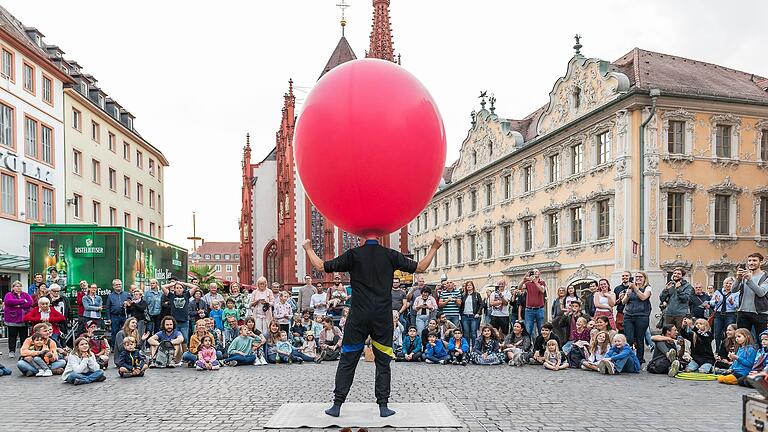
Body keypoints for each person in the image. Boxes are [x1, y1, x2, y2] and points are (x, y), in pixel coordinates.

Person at [303, 235, 442, 418]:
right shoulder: (390, 254)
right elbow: (421, 267)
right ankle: (383, 406)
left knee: (348, 360)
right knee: (383, 361)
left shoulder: (354, 254)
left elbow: (320, 266)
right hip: (382, 317)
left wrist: (308, 248)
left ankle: (337, 405)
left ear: (361, 236)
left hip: (358, 316)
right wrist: (434, 246)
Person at [733, 252, 768, 337]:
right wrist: (738, 279)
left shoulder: (766, 277)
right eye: (749, 260)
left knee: (761, 339)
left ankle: (762, 351)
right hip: (743, 312)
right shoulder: (744, 275)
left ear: (760, 262)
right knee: (742, 339)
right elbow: (733, 290)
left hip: (760, 313)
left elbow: (761, 293)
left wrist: (749, 280)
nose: (751, 263)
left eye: (754, 260)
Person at [621, 271, 653, 363]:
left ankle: (639, 359)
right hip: (628, 315)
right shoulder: (630, 287)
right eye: (636, 277)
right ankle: (628, 357)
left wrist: (636, 289)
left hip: (642, 315)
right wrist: (628, 294)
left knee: (640, 338)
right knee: (629, 338)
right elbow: (623, 302)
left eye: (640, 277)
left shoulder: (647, 288)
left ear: (644, 278)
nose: (638, 278)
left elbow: (643, 297)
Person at [4, 280, 34, 358]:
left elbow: (30, 303)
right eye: (16, 286)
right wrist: (22, 301)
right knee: (12, 336)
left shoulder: (25, 294)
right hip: (12, 319)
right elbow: (8, 302)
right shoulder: (9, 294)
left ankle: (23, 351)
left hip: (24, 319)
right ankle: (11, 351)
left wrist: (17, 305)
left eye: (20, 286)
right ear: (13, 287)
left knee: (24, 337)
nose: (18, 287)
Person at [162, 281, 198, 345]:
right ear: (175, 289)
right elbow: (163, 287)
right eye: (177, 288)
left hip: (184, 321)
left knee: (185, 339)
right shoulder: (171, 296)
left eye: (180, 288)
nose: (179, 289)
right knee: (175, 339)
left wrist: (184, 283)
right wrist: (172, 284)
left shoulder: (186, 295)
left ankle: (183, 354)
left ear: (183, 289)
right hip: (175, 322)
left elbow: (195, 287)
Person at [710, 277, 739, 350]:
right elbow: (711, 303)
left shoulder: (735, 293)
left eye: (730, 283)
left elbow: (737, 305)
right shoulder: (718, 292)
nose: (728, 285)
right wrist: (716, 301)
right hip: (718, 315)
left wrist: (732, 303)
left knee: (729, 333)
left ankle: (728, 350)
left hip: (730, 315)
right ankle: (717, 350)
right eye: (726, 283)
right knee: (717, 333)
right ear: (723, 284)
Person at [519, 269, 546, 338]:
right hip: (529, 310)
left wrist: (535, 282)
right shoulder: (528, 283)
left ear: (539, 273)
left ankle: (541, 346)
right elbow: (519, 288)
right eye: (533, 272)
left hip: (540, 309)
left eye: (536, 271)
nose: (535, 273)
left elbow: (542, 290)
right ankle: (528, 346)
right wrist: (523, 280)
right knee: (528, 330)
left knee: (541, 329)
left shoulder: (542, 282)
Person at [106, 279, 131, 347]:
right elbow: (107, 307)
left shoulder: (127, 294)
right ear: (113, 286)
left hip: (124, 316)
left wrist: (128, 303)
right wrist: (108, 318)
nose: (118, 286)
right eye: (116, 285)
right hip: (114, 317)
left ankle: (125, 346)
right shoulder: (110, 296)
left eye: (119, 284)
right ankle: (114, 347)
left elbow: (131, 304)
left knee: (125, 332)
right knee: (114, 332)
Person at [460, 282, 483, 349]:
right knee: (466, 333)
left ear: (473, 286)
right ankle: (466, 349)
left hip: (473, 316)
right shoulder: (463, 295)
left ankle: (474, 348)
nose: (469, 286)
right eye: (467, 285)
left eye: (470, 285)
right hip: (465, 316)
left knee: (473, 333)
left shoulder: (476, 294)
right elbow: (461, 305)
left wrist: (478, 313)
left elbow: (481, 305)